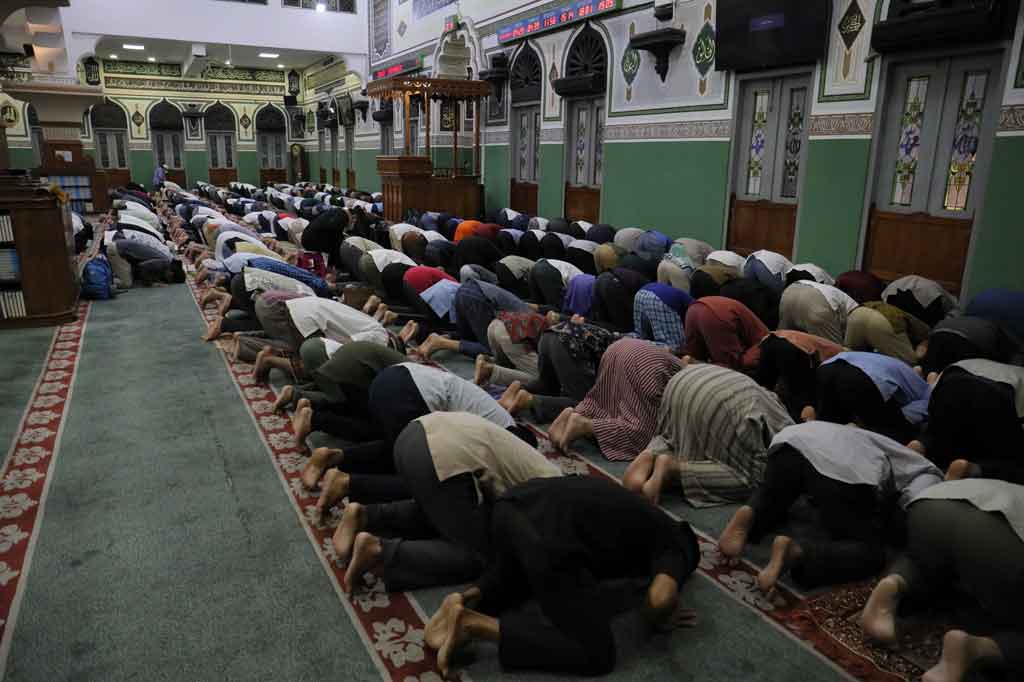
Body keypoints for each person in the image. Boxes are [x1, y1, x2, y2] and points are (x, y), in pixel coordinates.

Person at [425, 476, 700, 678]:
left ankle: (467, 597)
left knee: (521, 578)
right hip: (548, 539)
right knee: (596, 654)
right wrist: (662, 615)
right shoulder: (676, 546)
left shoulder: (643, 514)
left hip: (512, 504)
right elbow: (659, 598)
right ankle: (476, 625)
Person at [328, 412, 562, 593]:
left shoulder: (540, 466)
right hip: (443, 456)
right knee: (480, 554)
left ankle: (367, 515)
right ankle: (380, 552)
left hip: (413, 435)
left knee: (439, 512)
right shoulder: (555, 489)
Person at [718, 421, 942, 592]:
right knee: (870, 553)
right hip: (846, 468)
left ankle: (752, 512)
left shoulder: (876, 439)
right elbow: (912, 511)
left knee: (775, 494)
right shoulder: (929, 473)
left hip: (794, 438)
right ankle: (798, 553)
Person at [860, 479, 1024, 682]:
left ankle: (892, 586)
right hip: (1004, 549)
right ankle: (978, 649)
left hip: (934, 505)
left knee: (923, 560)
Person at [625, 362, 793, 506]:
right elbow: (784, 450)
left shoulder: (759, 390)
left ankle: (652, 453)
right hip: (721, 405)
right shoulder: (785, 419)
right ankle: (672, 469)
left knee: (674, 436)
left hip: (685, 380)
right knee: (753, 480)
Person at [549, 338, 683, 461]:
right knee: (645, 435)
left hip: (621, 347)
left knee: (604, 402)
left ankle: (577, 413)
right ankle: (586, 426)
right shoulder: (695, 375)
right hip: (645, 364)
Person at [912, 359, 1024, 482]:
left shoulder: (986, 361)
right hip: (1002, 393)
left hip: (954, 376)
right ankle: (970, 469)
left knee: (939, 433)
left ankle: (921, 446)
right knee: (1013, 462)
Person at [809, 351, 931, 444]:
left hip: (827, 367)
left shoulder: (895, 364)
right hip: (863, 376)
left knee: (828, 426)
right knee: (890, 434)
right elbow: (927, 405)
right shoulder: (924, 388)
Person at [683, 296, 769, 371]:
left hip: (695, 308)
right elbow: (733, 365)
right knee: (732, 365)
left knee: (693, 360)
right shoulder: (767, 340)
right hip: (714, 315)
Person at [844, 300, 931, 366]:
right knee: (909, 365)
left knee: (850, 358)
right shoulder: (926, 332)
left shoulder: (899, 311)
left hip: (858, 312)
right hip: (884, 320)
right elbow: (919, 354)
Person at [779, 280, 859, 345]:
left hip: (792, 290)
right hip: (818, 300)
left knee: (783, 340)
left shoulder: (834, 289)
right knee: (833, 352)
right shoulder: (855, 311)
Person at [632, 282, 691, 353]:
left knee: (641, 335)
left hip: (641, 293)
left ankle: (627, 341)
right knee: (675, 346)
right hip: (660, 300)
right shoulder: (695, 306)